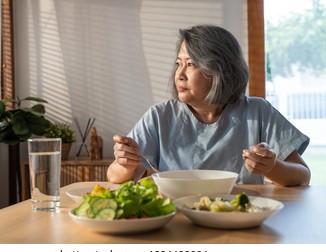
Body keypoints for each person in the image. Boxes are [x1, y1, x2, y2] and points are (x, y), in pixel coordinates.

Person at [107, 24, 310, 186]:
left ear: (219, 70)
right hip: (178, 218)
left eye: (191, 64)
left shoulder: (259, 112)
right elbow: (114, 177)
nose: (179, 74)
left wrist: (271, 167)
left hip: (240, 216)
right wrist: (125, 163)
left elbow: (303, 175)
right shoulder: (160, 116)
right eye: (179, 63)